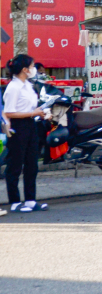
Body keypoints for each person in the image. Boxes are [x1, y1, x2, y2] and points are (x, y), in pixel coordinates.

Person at [3, 54, 48, 213]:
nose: (33, 69)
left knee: (32, 164)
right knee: (15, 165)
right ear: (24, 69)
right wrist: (32, 113)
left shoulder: (28, 85)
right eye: (31, 66)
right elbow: (8, 112)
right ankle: (15, 201)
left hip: (31, 125)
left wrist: (38, 112)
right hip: (17, 127)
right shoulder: (13, 87)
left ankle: (30, 200)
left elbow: (30, 108)